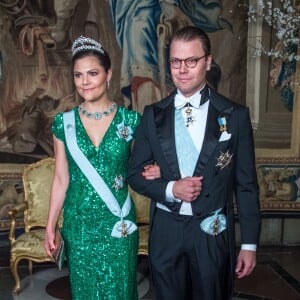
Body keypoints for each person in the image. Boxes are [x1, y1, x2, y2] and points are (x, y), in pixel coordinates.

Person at [127, 26, 261, 300]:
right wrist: (171, 189)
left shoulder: (235, 116)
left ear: (208, 62)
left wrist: (249, 244)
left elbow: (246, 185)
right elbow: (134, 175)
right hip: (166, 231)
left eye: (192, 61)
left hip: (211, 231)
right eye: (176, 61)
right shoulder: (153, 115)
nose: (182, 69)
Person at [44, 36, 159, 300]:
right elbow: (61, 178)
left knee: (119, 290)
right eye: (78, 75)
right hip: (78, 225)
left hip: (117, 222)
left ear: (108, 75)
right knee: (84, 292)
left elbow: (144, 167)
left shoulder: (131, 121)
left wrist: (156, 171)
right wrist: (51, 225)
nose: (85, 81)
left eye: (92, 73)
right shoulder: (64, 123)